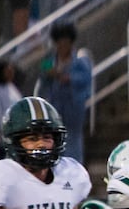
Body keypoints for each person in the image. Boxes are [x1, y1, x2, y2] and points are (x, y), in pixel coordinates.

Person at [34, 23, 92, 165]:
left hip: (73, 107)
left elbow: (85, 78)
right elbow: (42, 74)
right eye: (59, 42)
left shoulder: (79, 60)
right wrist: (49, 73)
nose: (62, 46)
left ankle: (76, 168)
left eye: (65, 42)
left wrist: (68, 78)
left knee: (73, 141)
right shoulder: (50, 60)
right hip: (55, 106)